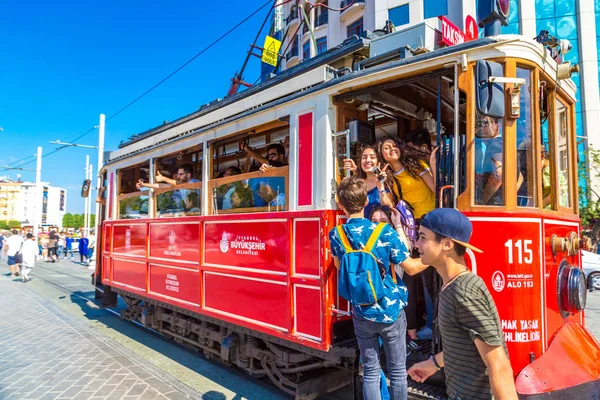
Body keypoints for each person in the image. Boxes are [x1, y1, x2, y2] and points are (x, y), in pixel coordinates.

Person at [329, 176, 428, 400]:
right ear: (366, 202)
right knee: (397, 372)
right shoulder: (383, 232)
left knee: (372, 371)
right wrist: (437, 258)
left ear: (340, 205)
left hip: (361, 311)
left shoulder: (336, 235)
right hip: (390, 311)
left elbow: (338, 266)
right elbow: (411, 268)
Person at [408, 208, 518, 400]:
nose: (417, 244)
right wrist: (433, 363)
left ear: (447, 244)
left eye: (423, 237)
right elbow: (466, 344)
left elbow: (499, 365)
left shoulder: (464, 292)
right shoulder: (451, 286)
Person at [379, 136, 436, 348]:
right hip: (416, 228)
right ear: (382, 154)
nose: (391, 149)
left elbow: (435, 187)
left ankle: (435, 327)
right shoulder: (390, 177)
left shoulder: (417, 166)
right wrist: (382, 184)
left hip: (432, 222)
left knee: (432, 279)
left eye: (394, 145)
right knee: (414, 280)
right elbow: (389, 205)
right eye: (386, 148)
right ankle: (416, 330)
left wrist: (431, 164)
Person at [342, 145, 395, 219]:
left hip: (380, 228)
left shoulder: (385, 181)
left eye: (372, 157)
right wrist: (356, 171)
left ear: (378, 161)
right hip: (361, 228)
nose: (367, 160)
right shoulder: (356, 183)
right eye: (364, 158)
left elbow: (390, 207)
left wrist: (381, 186)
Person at [474, 115, 504, 205]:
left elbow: (498, 174)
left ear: (498, 125)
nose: (481, 127)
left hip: (494, 205)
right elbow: (520, 178)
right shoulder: (504, 143)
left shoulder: (494, 145)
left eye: (486, 123)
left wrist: (482, 201)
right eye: (479, 124)